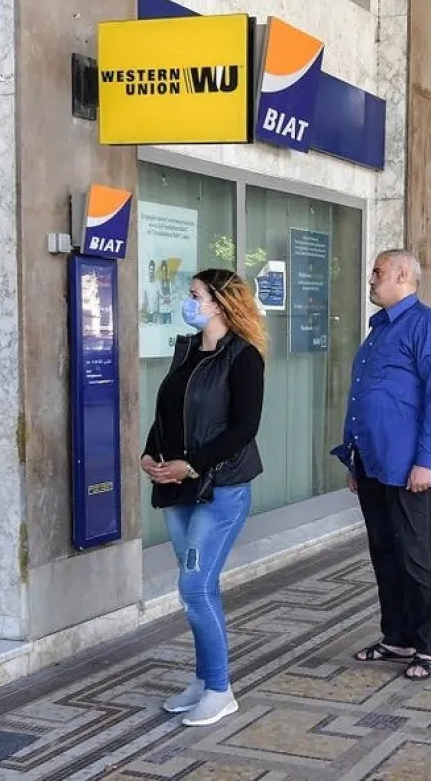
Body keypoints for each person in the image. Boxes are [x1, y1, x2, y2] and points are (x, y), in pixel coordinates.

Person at [142, 268, 267, 727]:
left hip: (221, 488)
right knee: (198, 587)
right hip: (177, 487)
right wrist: (149, 453)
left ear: (219, 302)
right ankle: (203, 680)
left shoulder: (243, 357)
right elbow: (168, 415)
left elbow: (244, 429)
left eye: (195, 294)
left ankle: (220, 690)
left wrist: (192, 464)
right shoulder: (189, 350)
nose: (188, 301)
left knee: (194, 587)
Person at [334, 250, 431, 682]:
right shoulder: (380, 328)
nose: (371, 279)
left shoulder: (426, 325)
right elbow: (364, 396)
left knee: (419, 556)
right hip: (372, 463)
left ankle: (430, 645)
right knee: (386, 554)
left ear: (403, 275)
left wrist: (427, 460)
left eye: (378, 272)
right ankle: (398, 637)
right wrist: (354, 457)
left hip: (408, 467)